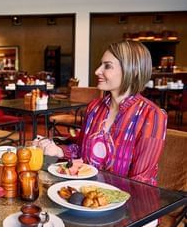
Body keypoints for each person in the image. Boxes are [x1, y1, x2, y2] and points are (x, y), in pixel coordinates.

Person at [38, 41, 167, 185]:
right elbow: (82, 151)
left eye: (107, 66)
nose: (97, 71)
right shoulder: (94, 108)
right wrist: (58, 151)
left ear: (133, 70)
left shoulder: (152, 115)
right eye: (101, 64)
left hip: (126, 201)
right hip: (85, 191)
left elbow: (141, 181)